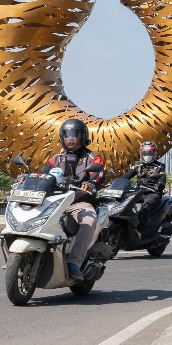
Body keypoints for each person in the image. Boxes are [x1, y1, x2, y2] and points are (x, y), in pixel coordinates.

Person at [42, 118, 105, 280]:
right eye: (67, 135)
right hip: (55, 201)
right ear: (61, 137)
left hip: (79, 201)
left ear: (82, 136)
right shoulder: (55, 159)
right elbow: (42, 175)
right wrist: (26, 178)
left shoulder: (92, 158)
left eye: (74, 135)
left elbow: (98, 176)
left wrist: (91, 183)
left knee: (89, 220)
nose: (70, 139)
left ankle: (74, 263)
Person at [124, 140, 167, 222]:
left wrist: (158, 186)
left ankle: (142, 231)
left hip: (153, 192)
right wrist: (116, 181)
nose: (147, 155)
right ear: (141, 154)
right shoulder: (138, 165)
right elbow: (127, 176)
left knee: (145, 207)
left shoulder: (160, 166)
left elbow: (162, 180)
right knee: (124, 204)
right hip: (139, 191)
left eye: (150, 153)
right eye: (145, 153)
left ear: (154, 154)